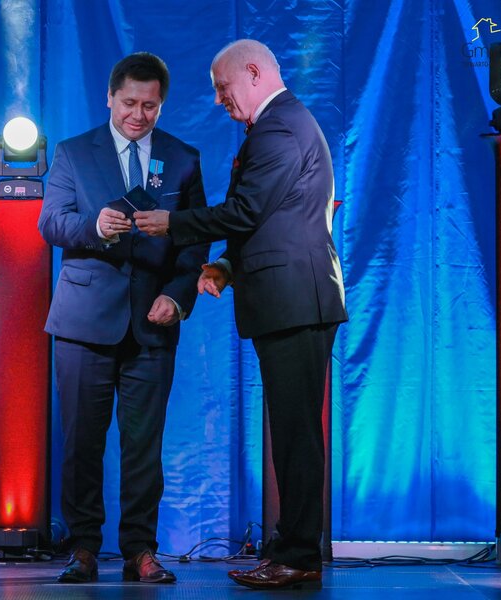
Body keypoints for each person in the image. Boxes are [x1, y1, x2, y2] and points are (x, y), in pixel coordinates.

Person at [135, 39, 348, 591]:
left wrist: (172, 223)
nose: (218, 99)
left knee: (296, 437)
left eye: (222, 87)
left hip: (295, 302)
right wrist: (228, 265)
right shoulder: (280, 125)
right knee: (292, 433)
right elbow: (276, 218)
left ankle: (298, 554)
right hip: (291, 300)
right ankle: (290, 547)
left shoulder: (279, 129)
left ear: (253, 72)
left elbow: (247, 210)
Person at [38, 52, 209, 584]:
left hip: (152, 324)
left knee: (144, 446)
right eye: (130, 103)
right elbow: (51, 223)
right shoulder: (72, 153)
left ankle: (140, 550)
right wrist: (95, 225)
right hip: (84, 323)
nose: (138, 115)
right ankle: (83, 547)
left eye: (150, 106)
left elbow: (195, 240)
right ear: (109, 98)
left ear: (162, 105)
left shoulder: (182, 158)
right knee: (82, 444)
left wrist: (177, 297)